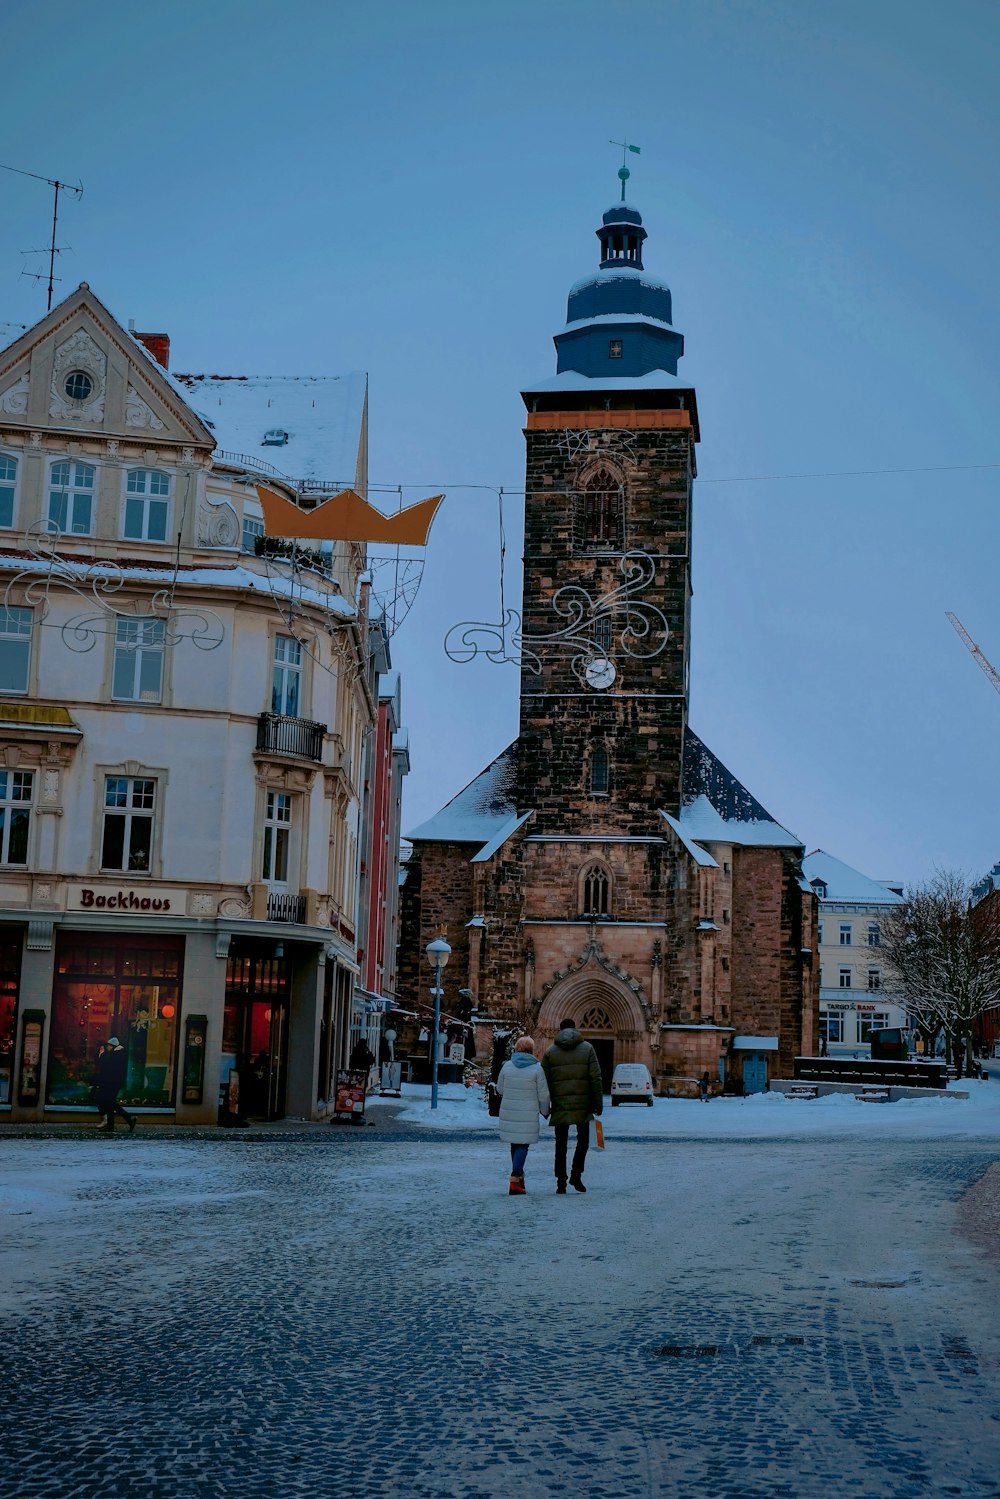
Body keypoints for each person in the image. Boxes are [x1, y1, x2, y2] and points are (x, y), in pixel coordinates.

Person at [542, 1018, 603, 1194]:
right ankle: (576, 1175)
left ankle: (561, 1181)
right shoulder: (588, 1049)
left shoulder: (550, 1052)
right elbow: (596, 1077)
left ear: (559, 1030)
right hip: (583, 1104)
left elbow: (544, 1082)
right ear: (575, 1029)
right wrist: (598, 1102)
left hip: (560, 1104)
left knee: (560, 1144)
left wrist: (545, 1106)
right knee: (583, 1141)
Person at [496, 1036, 550, 1195]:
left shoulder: (507, 1067)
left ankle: (518, 1181)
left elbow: (500, 1089)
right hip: (528, 1112)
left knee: (515, 1143)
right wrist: (545, 1111)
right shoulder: (537, 1069)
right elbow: (544, 1095)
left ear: (516, 1049)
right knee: (523, 1144)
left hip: (510, 1111)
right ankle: (516, 1176)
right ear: (532, 1050)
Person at [93, 1036, 135, 1134]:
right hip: (114, 1082)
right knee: (109, 1102)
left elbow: (105, 1065)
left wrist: (102, 1054)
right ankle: (112, 1125)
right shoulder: (118, 1053)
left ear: (112, 1046)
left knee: (107, 1101)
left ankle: (128, 1118)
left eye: (108, 1046)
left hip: (112, 1082)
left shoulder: (116, 1054)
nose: (107, 1047)